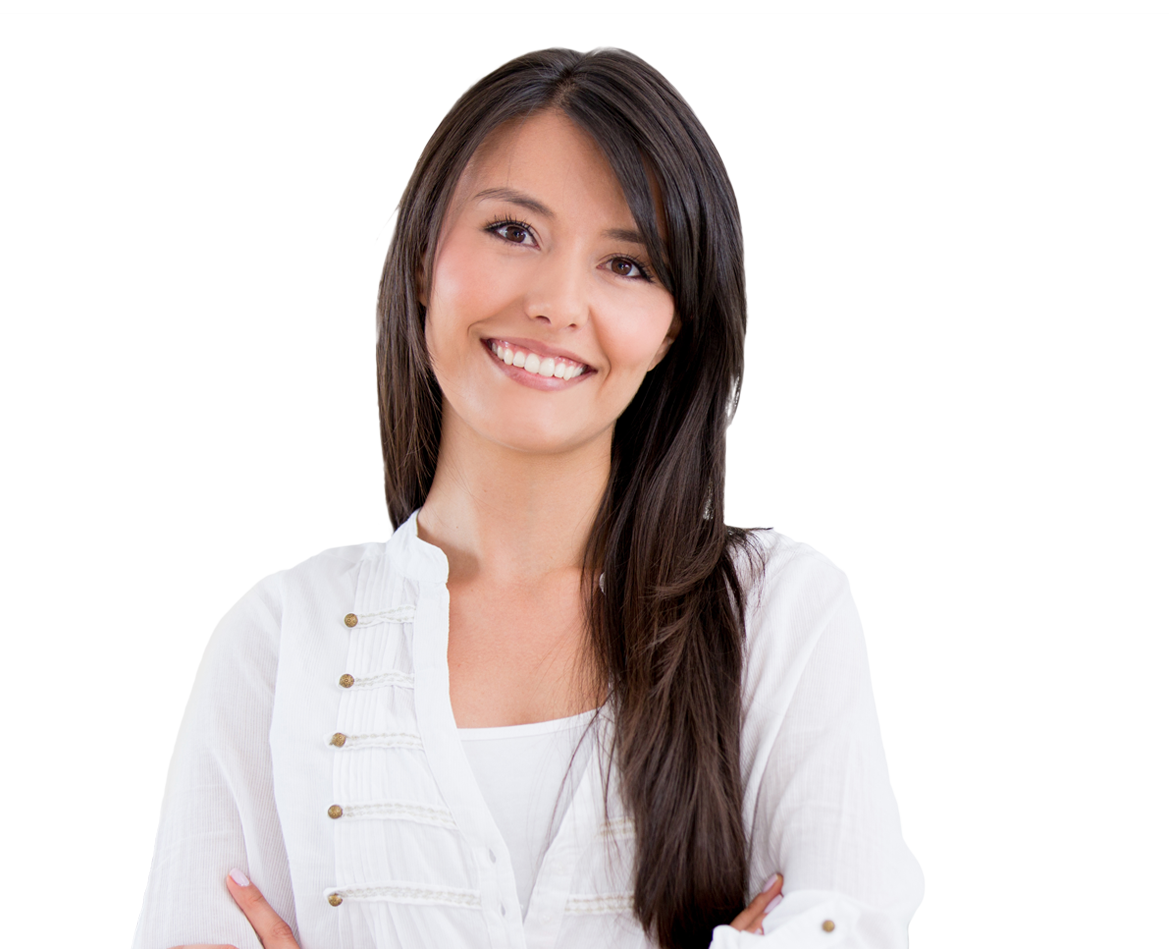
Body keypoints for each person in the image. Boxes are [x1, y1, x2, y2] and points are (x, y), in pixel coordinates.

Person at [130, 44, 923, 949]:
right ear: (424, 256)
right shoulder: (281, 642)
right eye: (513, 231)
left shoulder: (776, 612)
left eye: (629, 264)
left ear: (673, 329)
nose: (557, 302)